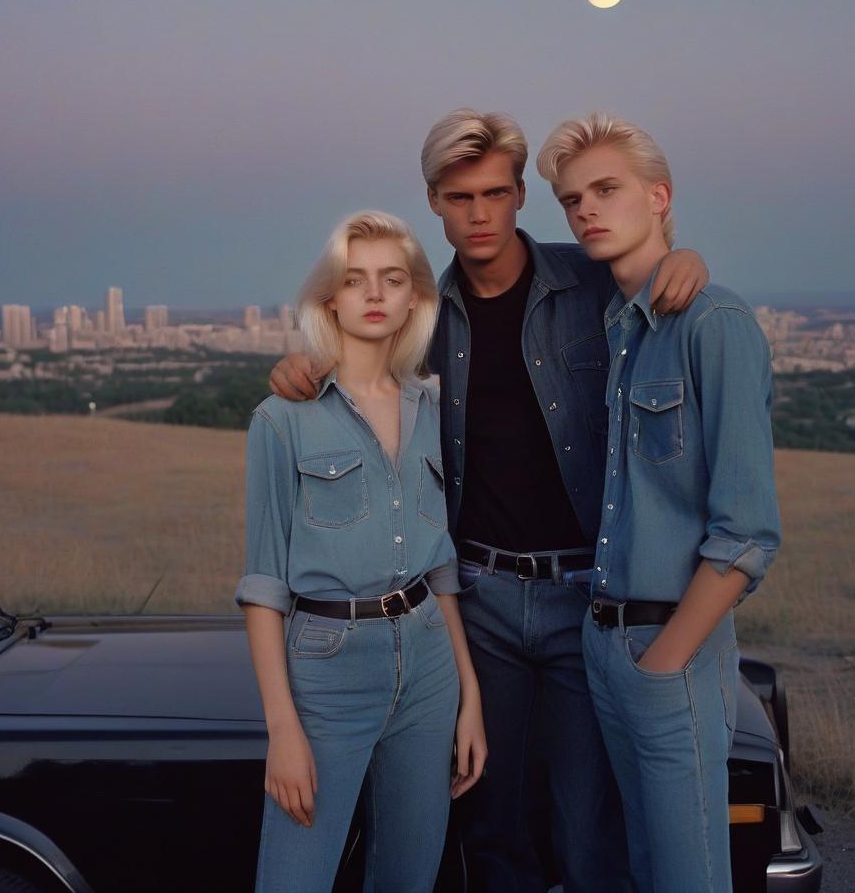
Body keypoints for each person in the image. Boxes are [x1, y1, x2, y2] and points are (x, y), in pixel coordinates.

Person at [269, 109, 710, 893]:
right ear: (434, 201)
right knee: (492, 826)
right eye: (460, 196)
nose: (480, 214)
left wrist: (692, 262)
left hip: (587, 596)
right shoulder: (421, 315)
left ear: (518, 197)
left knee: (587, 831)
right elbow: (353, 363)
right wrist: (300, 366)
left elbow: (655, 276)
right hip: (478, 599)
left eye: (496, 194)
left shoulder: (590, 282)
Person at [537, 112, 781, 893]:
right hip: (602, 643)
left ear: (660, 195)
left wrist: (665, 662)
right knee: (641, 868)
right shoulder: (616, 328)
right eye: (572, 200)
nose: (586, 211)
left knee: (688, 875)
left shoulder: (717, 324)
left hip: (667, 650)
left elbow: (746, 534)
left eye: (606, 189)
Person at [236, 211, 486, 893]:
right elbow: (263, 586)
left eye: (392, 279)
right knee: (294, 879)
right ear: (330, 299)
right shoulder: (281, 419)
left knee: (409, 877)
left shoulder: (435, 410)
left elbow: (441, 567)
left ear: (414, 298)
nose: (374, 294)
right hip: (327, 672)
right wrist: (283, 729)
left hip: (429, 665)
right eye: (355, 280)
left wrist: (468, 695)